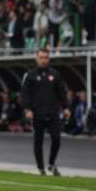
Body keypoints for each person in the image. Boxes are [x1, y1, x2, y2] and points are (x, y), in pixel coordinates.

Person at [21, 48, 69, 176]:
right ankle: (41, 168)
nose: (44, 60)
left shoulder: (55, 74)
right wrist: (27, 109)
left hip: (53, 113)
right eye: (41, 57)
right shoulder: (30, 75)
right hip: (37, 114)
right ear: (37, 59)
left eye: (46, 57)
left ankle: (51, 164)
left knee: (56, 139)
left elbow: (62, 93)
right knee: (38, 141)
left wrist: (66, 107)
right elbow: (25, 94)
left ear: (49, 59)